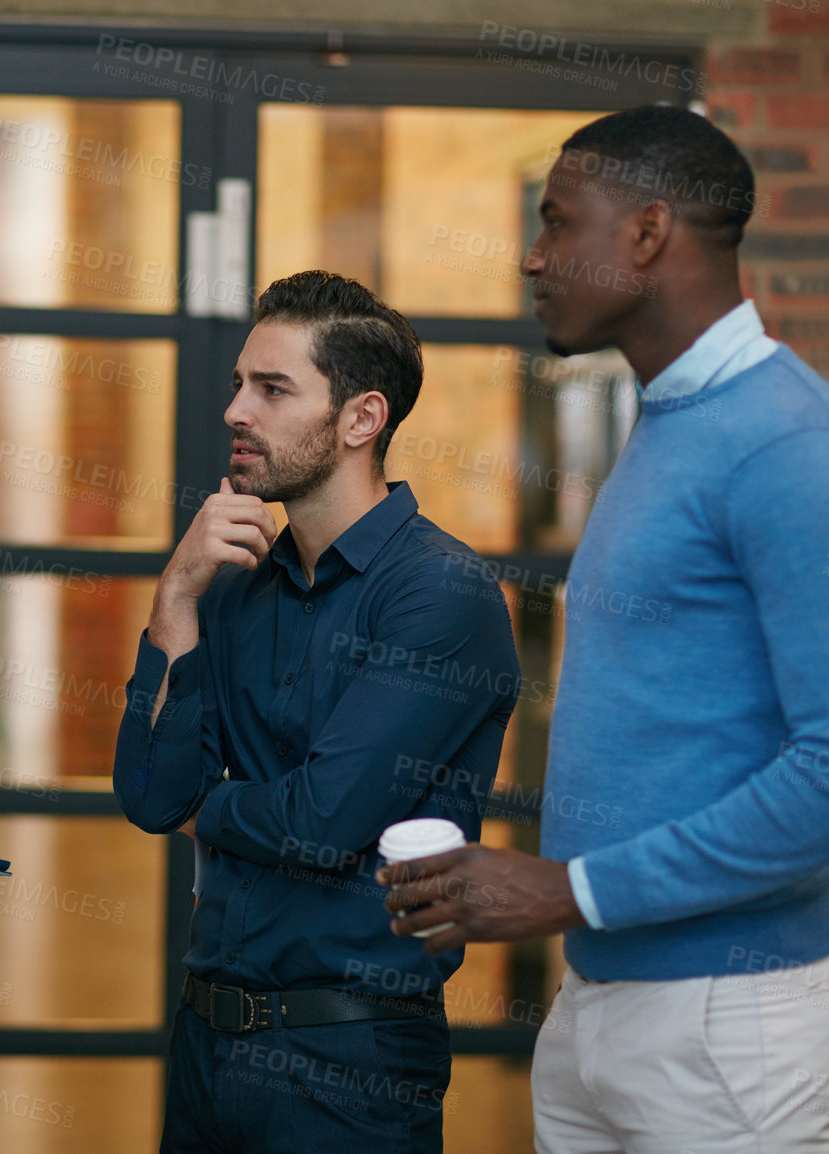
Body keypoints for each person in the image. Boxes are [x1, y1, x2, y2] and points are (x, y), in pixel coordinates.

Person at [380, 106, 829, 1152]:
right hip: (608, 996)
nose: (532, 255)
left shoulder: (791, 445)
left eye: (557, 222)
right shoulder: (673, 416)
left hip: (728, 1024)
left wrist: (570, 888)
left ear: (646, 233)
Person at [113, 270, 521, 1153]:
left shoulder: (441, 596)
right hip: (204, 1043)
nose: (236, 411)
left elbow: (321, 818)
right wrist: (177, 594)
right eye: (238, 385)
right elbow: (148, 795)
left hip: (348, 1064)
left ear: (360, 420)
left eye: (272, 389)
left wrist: (203, 808)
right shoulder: (230, 590)